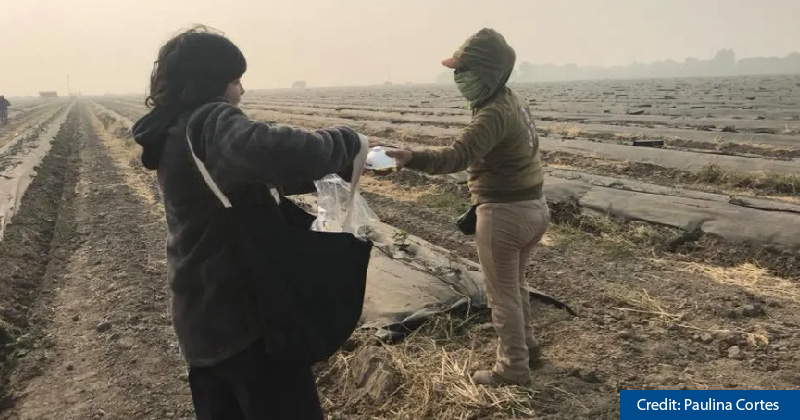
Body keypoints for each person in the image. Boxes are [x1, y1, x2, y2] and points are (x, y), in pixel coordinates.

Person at [132, 26, 368, 419]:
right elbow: (277, 151)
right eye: (236, 81)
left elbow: (253, 174)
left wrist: (332, 172)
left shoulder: (172, 130)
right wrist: (349, 142)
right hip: (247, 322)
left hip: (201, 321)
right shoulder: (207, 120)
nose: (241, 91)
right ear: (214, 83)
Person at [385, 28, 549, 386]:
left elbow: (457, 156)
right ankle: (530, 350)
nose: (458, 77)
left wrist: (410, 157)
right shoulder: (511, 100)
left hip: (505, 214)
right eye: (456, 69)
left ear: (488, 72)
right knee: (515, 285)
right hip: (534, 207)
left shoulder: (492, 115)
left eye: (465, 69)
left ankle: (512, 368)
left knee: (501, 294)